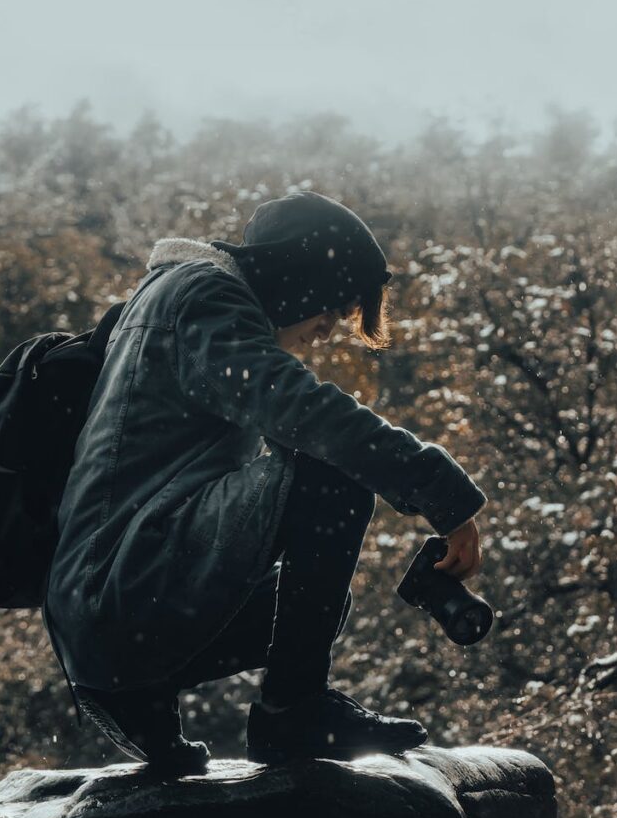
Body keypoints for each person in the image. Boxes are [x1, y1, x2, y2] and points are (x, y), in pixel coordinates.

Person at [42, 191, 486, 776]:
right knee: (329, 472)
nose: (327, 332)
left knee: (296, 605)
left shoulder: (175, 296)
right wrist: (446, 498)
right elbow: (307, 417)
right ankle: (293, 712)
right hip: (120, 589)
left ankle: (144, 697)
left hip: (110, 604)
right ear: (300, 280)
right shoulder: (207, 296)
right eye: (331, 309)